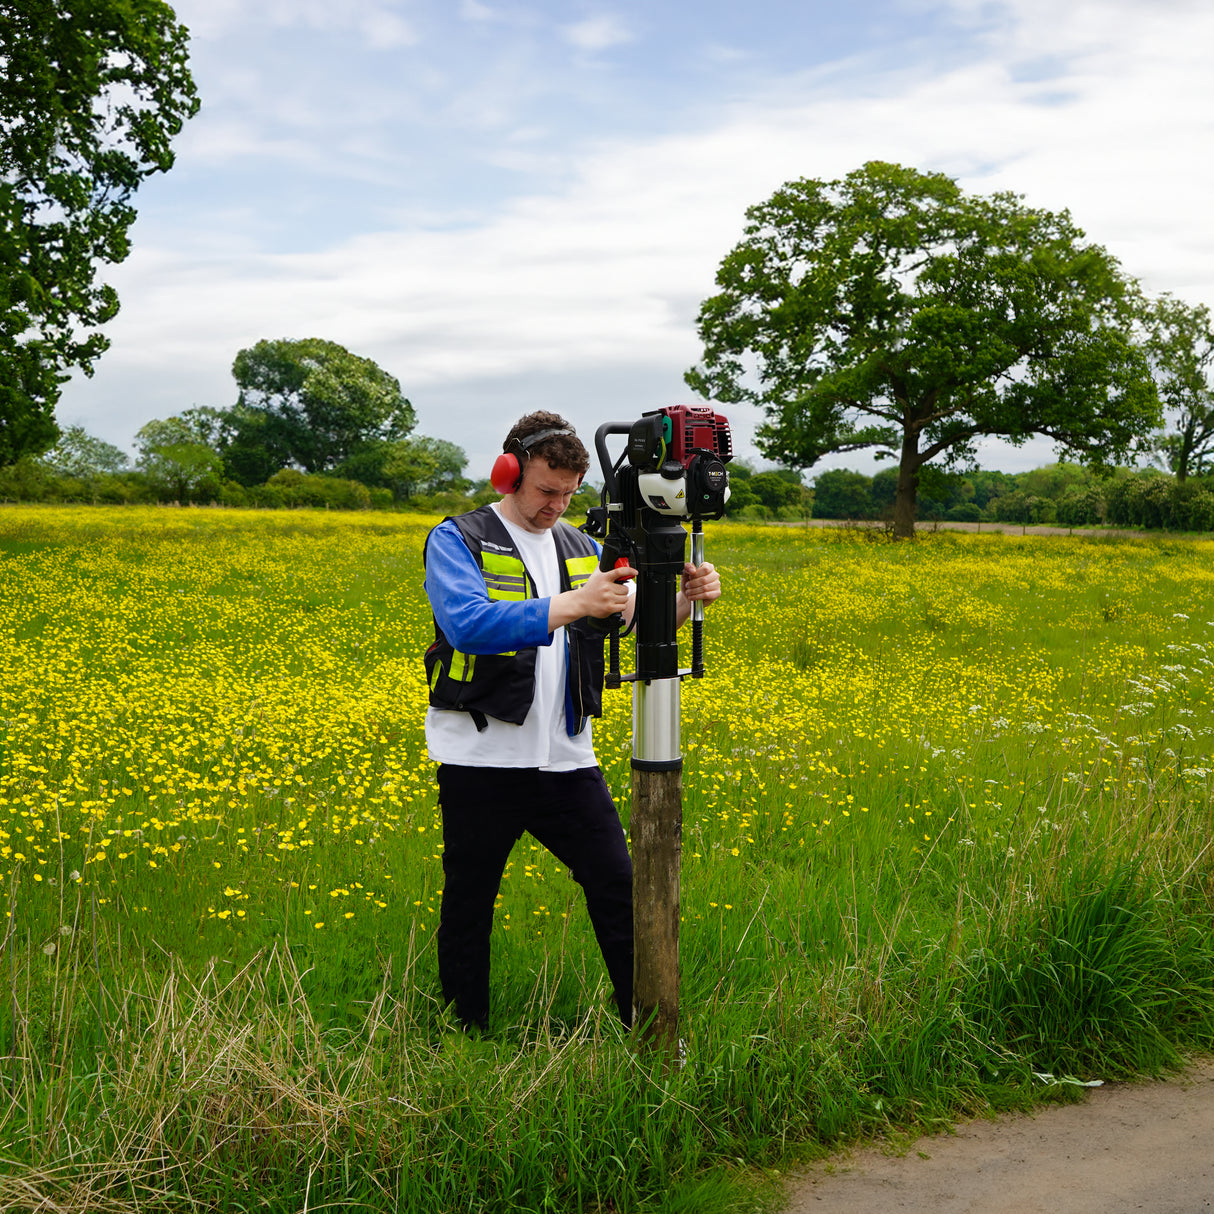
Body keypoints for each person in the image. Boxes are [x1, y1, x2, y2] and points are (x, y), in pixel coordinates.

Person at [423, 410, 721, 1031]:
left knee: (618, 886)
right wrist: (574, 602)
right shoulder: (458, 538)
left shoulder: (581, 546)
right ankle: (465, 1034)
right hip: (481, 761)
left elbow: (627, 621)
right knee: (470, 904)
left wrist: (686, 600)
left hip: (567, 760)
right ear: (509, 475)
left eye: (568, 492)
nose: (556, 505)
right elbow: (467, 625)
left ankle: (645, 1027)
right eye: (544, 491)